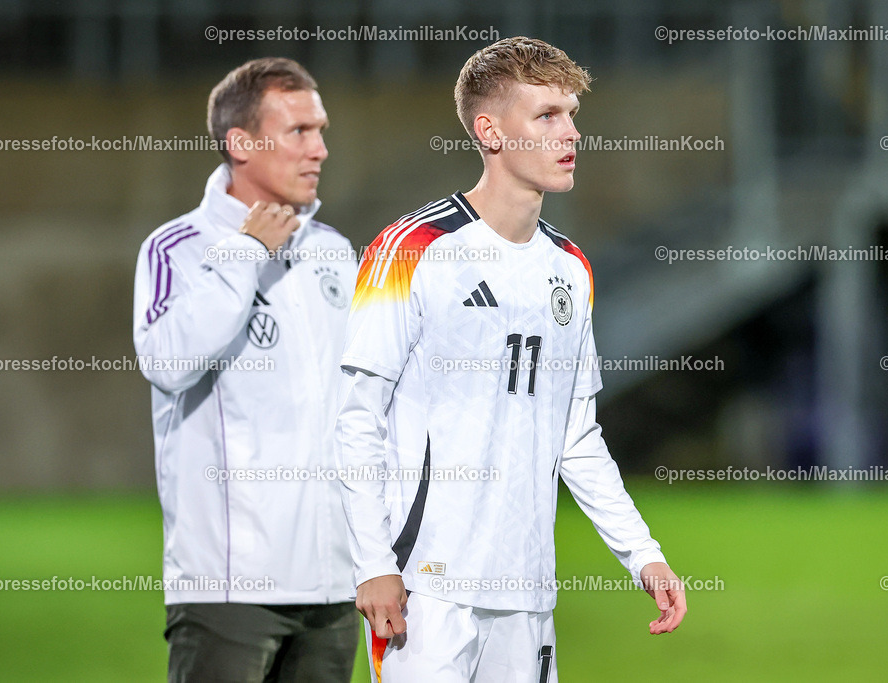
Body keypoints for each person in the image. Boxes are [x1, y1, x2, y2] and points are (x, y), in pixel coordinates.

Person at [334, 36, 686, 682]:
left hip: (527, 592)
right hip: (427, 590)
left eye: (572, 114)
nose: (570, 132)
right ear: (490, 132)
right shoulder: (411, 249)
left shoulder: (570, 269)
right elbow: (356, 417)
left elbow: (576, 435)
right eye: (547, 115)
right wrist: (373, 563)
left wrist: (643, 553)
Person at [133, 57, 358, 682]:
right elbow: (167, 362)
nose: (319, 149)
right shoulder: (179, 248)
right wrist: (247, 252)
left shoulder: (334, 252)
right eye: (299, 131)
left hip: (336, 584)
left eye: (320, 131)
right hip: (231, 586)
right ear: (241, 144)